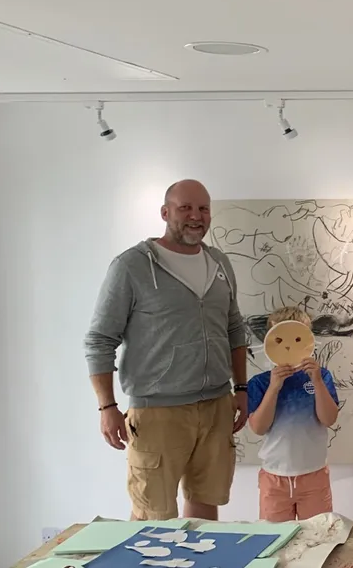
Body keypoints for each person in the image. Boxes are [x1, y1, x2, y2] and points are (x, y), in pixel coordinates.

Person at [84, 179, 250, 521]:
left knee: (205, 508)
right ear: (165, 212)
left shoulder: (219, 262)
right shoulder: (131, 266)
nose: (195, 216)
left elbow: (234, 328)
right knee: (151, 518)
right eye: (185, 207)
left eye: (203, 208)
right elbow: (100, 340)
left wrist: (242, 388)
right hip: (157, 412)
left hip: (217, 407)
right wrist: (107, 406)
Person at [247, 306, 340, 522]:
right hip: (275, 478)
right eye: (279, 340)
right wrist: (274, 387)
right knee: (274, 538)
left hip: (314, 475)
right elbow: (258, 428)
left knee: (318, 537)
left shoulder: (321, 376)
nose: (289, 346)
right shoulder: (260, 383)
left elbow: (329, 419)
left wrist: (316, 381)